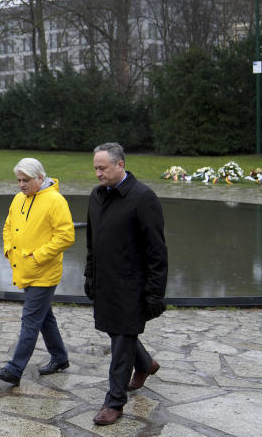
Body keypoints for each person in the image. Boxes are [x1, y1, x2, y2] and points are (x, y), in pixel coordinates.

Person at [85, 142, 168, 426]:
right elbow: (92, 243)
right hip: (106, 283)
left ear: (120, 165)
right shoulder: (96, 196)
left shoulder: (143, 198)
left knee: (121, 342)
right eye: (95, 168)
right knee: (116, 333)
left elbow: (157, 251)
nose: (98, 174)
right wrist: (89, 275)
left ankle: (114, 403)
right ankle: (145, 364)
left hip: (133, 286)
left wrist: (155, 293)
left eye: (102, 168)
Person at [0, 157, 75, 388]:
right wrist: (8, 249)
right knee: (44, 317)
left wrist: (38, 256)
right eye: (18, 180)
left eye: (25, 180)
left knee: (30, 319)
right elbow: (7, 226)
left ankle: (14, 370)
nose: (21, 185)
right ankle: (60, 358)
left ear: (40, 178)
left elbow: (66, 236)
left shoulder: (55, 201)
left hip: (44, 272)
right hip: (24, 269)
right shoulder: (18, 199)